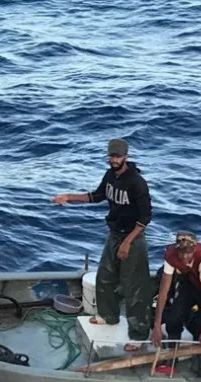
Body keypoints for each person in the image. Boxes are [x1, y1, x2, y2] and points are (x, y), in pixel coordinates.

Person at [52, 138, 152, 351]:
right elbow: (96, 196)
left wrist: (127, 242)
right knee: (104, 277)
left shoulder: (136, 182)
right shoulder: (109, 176)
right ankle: (108, 316)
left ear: (126, 156)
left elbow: (145, 217)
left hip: (132, 239)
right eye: (111, 156)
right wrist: (68, 196)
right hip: (114, 234)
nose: (114, 160)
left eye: (117, 156)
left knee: (133, 286)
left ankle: (138, 334)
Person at [152, 231, 201, 348]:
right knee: (173, 320)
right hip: (189, 280)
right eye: (181, 252)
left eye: (188, 253)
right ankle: (172, 354)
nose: (184, 257)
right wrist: (157, 326)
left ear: (194, 249)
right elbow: (163, 292)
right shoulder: (170, 256)